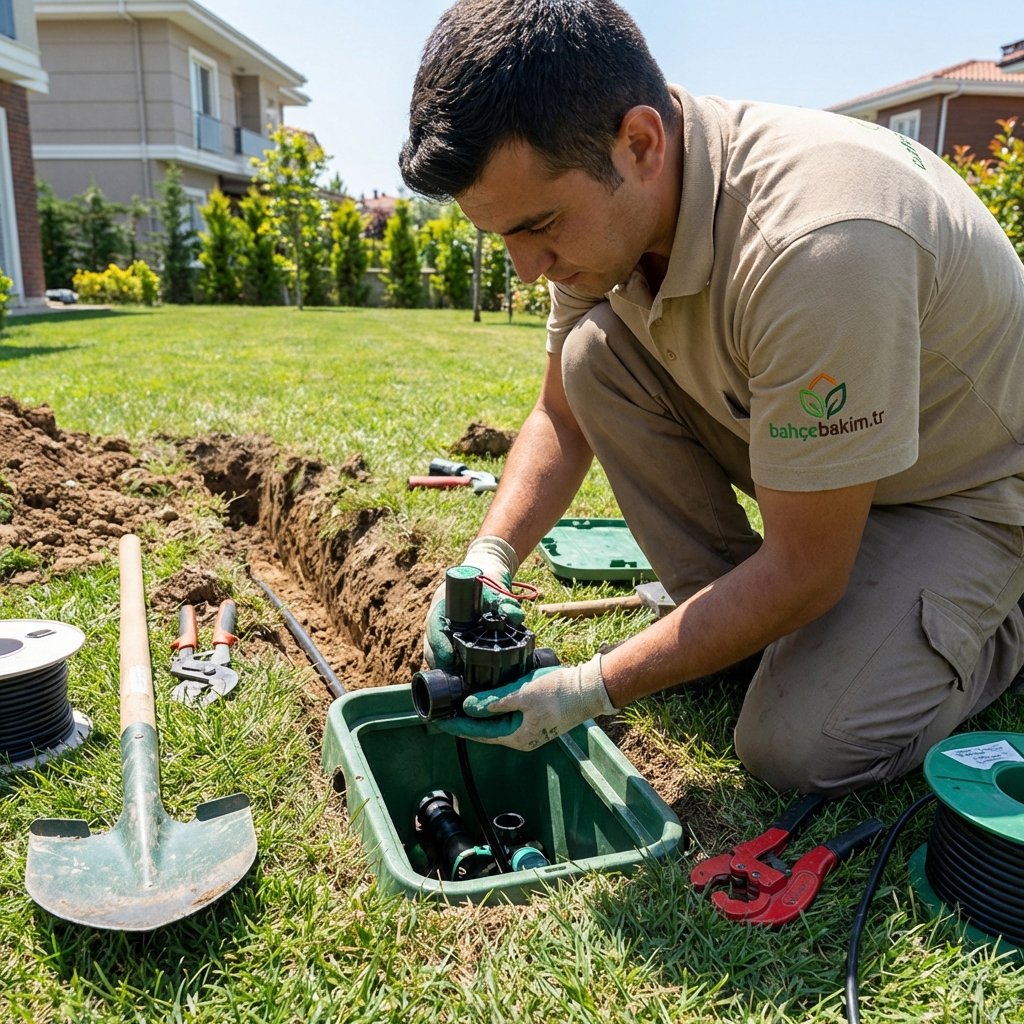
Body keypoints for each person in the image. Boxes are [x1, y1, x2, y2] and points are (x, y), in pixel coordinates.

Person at [399, 0, 1024, 795]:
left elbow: (806, 569)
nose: (527, 268)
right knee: (596, 356)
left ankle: (1001, 617)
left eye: (540, 226)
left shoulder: (817, 246)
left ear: (640, 143)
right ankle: (750, 632)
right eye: (505, 239)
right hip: (835, 476)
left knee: (797, 749)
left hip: (965, 491)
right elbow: (560, 413)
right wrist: (489, 560)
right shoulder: (602, 222)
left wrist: (592, 686)